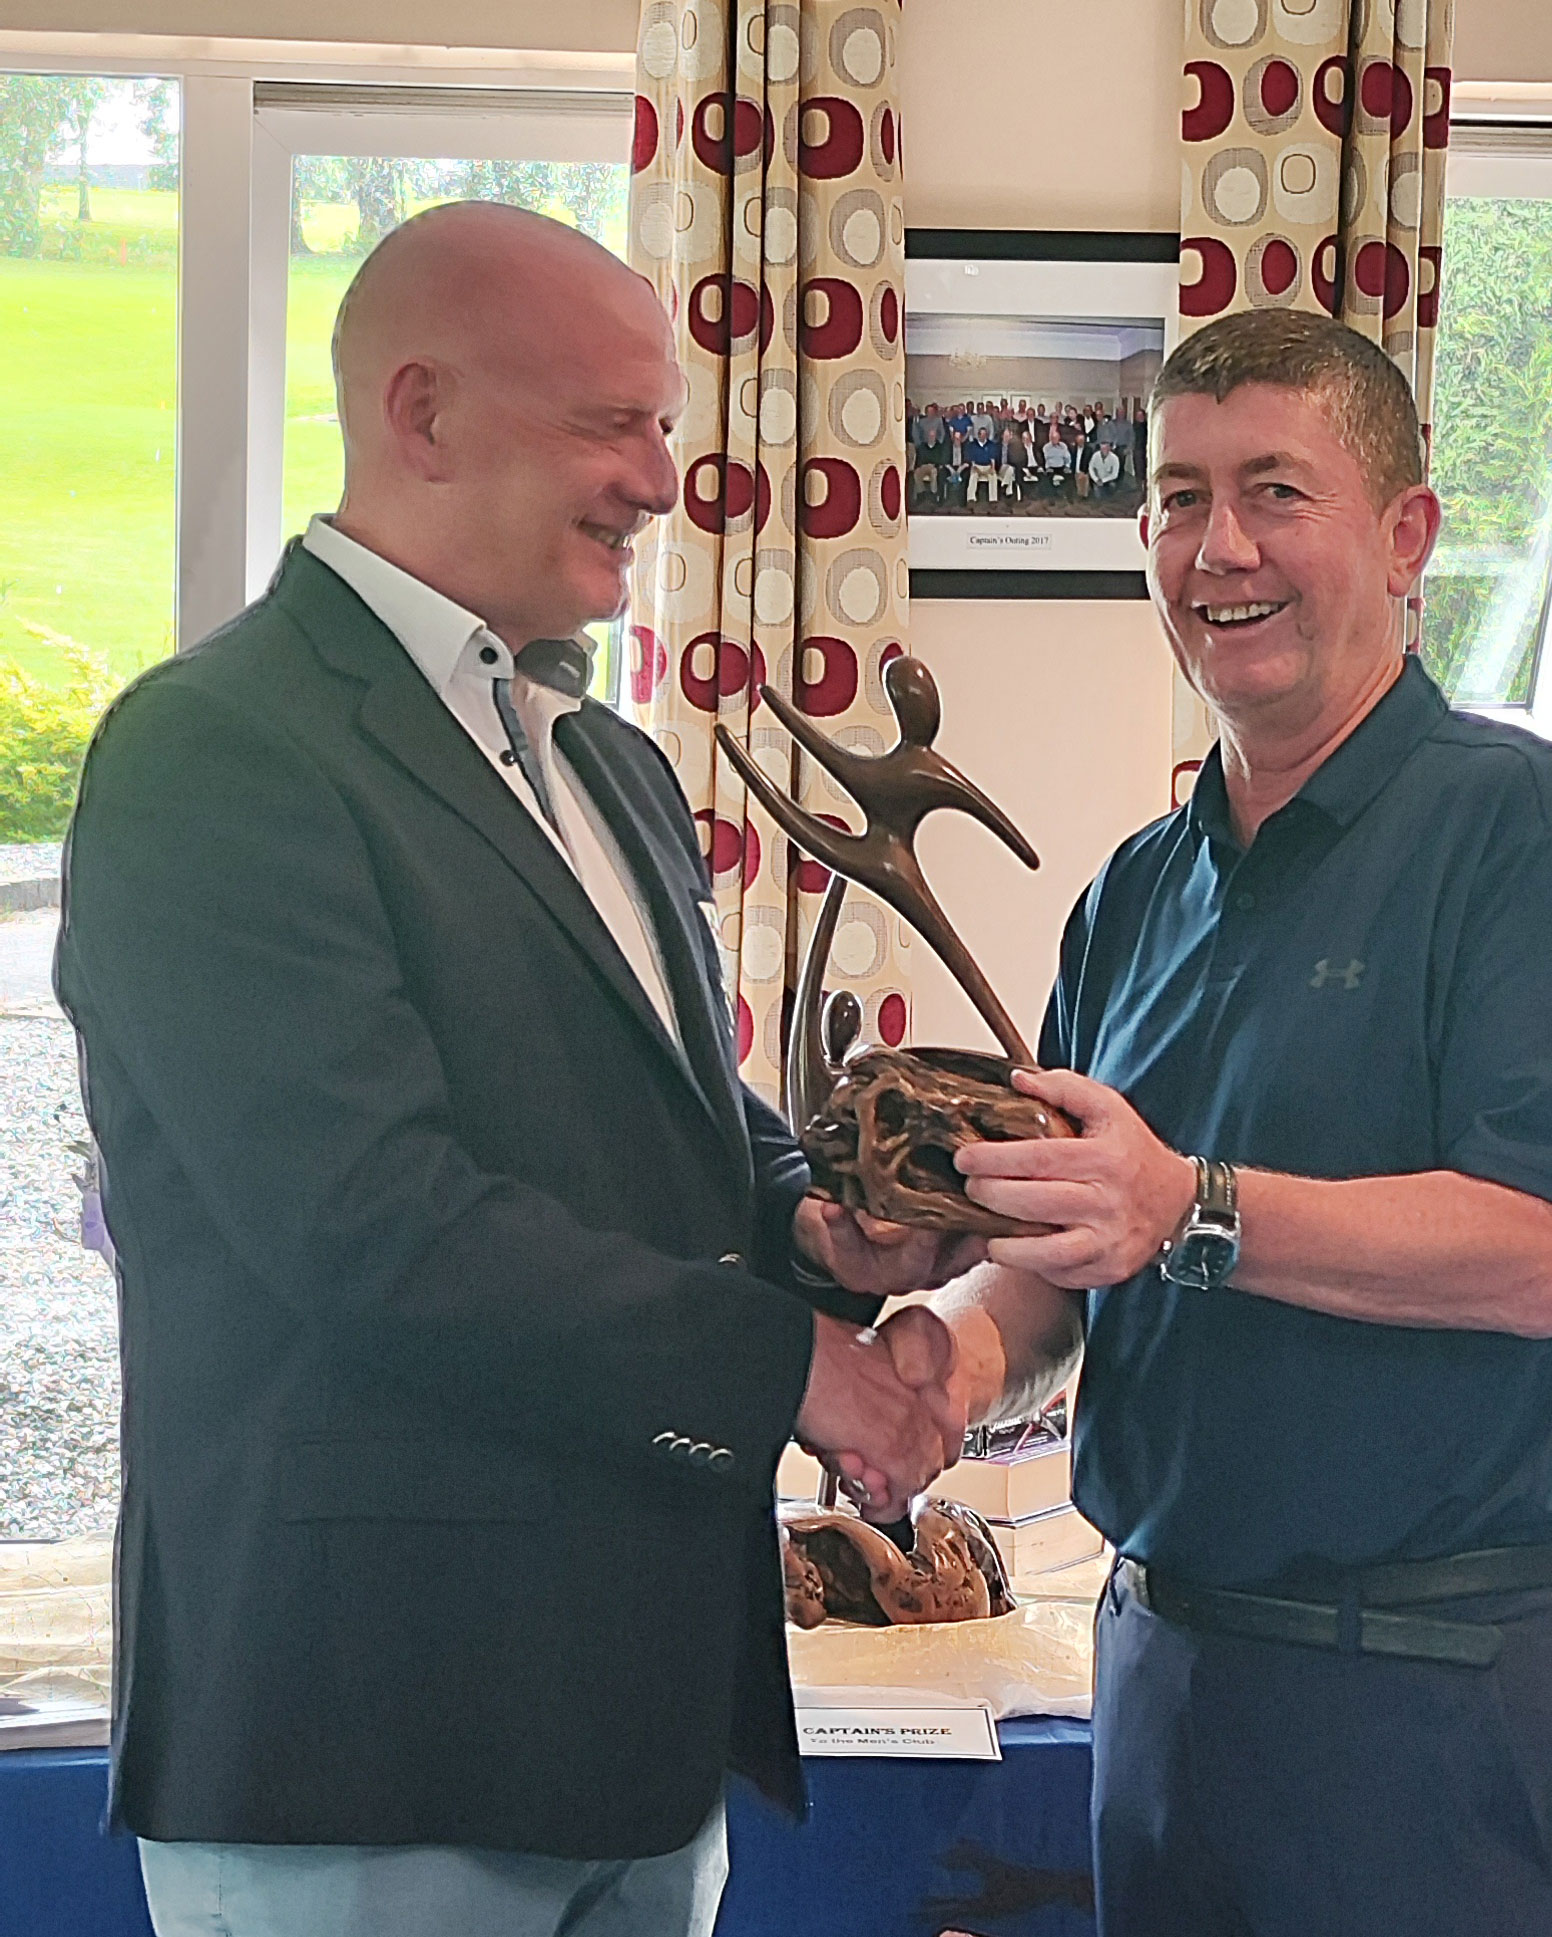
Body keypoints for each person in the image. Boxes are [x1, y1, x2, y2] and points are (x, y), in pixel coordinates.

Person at [57, 202, 970, 1937]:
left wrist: (820, 1233)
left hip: (629, 1735)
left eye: (664, 431)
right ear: (420, 414)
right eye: (605, 424)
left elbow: (675, 1129)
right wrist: (800, 1366)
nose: (655, 479)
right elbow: (363, 1221)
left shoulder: (610, 762)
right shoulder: (215, 751)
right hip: (363, 1745)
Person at [928, 309, 1552, 1937]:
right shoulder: (1137, 884)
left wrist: (1186, 1203)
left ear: (1403, 535)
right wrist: (949, 1368)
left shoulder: (1521, 833)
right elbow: (1072, 1235)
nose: (1219, 549)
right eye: (1178, 499)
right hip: (1166, 1660)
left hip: (1422, 1693)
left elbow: (1536, 1253)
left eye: (1274, 490)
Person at [964, 426, 1001, 505]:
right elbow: (972, 461)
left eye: (985, 434)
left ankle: (993, 500)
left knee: (993, 476)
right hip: (977, 466)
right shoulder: (973, 445)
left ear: (987, 435)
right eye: (981, 434)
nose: (983, 436)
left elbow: (993, 459)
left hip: (988, 466)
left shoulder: (991, 445)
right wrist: (975, 468)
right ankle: (971, 499)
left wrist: (992, 469)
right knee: (973, 475)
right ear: (978, 435)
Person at [1040, 423, 1074, 491]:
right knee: (1048, 478)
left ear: (1059, 438)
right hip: (1051, 467)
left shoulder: (1063, 446)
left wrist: (1067, 466)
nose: (1054, 440)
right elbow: (1044, 459)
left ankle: (1068, 497)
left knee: (1069, 476)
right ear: (1051, 438)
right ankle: (1051, 498)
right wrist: (1047, 468)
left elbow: (1068, 458)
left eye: (1056, 438)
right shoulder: (1046, 447)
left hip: (1061, 466)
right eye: (1053, 438)